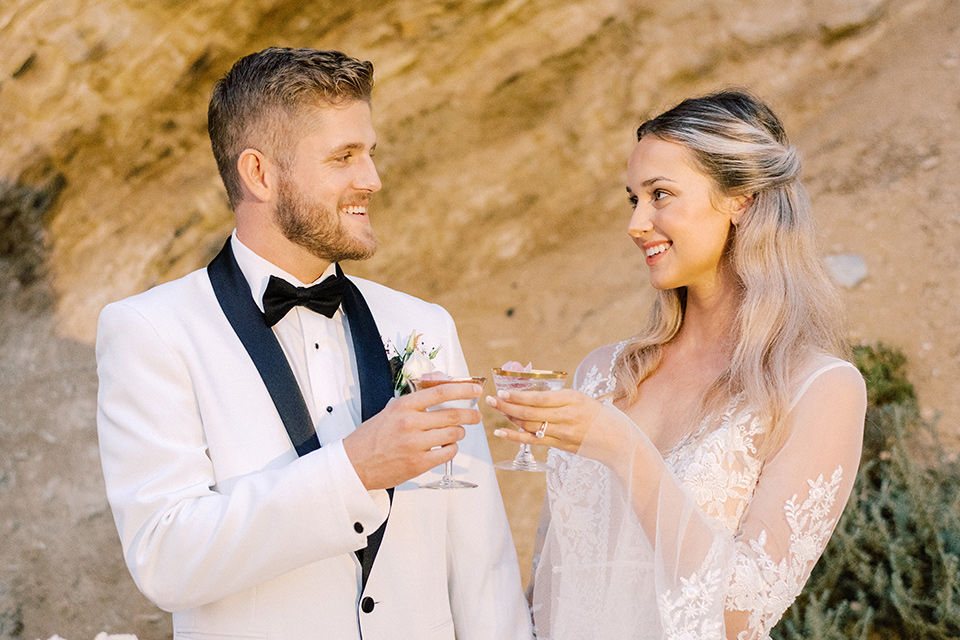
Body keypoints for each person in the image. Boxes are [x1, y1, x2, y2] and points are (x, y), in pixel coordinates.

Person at [96, 47, 532, 640]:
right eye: (343, 157)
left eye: (370, 153)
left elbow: (482, 560)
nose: (372, 180)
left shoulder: (424, 325)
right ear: (259, 174)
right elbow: (166, 558)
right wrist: (353, 469)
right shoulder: (152, 331)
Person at [487, 90, 867, 640]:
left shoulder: (820, 389)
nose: (637, 223)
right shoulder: (602, 374)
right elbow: (549, 582)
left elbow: (741, 613)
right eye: (633, 199)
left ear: (740, 198)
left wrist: (622, 448)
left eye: (660, 194)